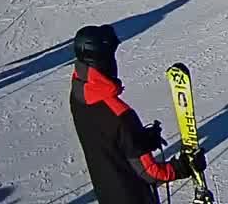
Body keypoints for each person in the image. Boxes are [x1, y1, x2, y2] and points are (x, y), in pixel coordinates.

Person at [70, 23, 198, 204]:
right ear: (105, 61)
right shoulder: (120, 115)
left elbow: (106, 135)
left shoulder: (77, 94)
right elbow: (150, 173)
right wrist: (183, 168)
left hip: (106, 194)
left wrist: (140, 140)